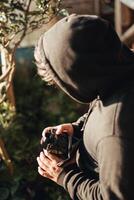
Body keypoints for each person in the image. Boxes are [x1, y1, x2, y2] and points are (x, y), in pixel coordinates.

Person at [34, 14, 134, 200]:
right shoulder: (117, 69)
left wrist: (64, 175)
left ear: (82, 75)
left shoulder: (115, 134)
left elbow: (112, 197)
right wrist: (78, 128)